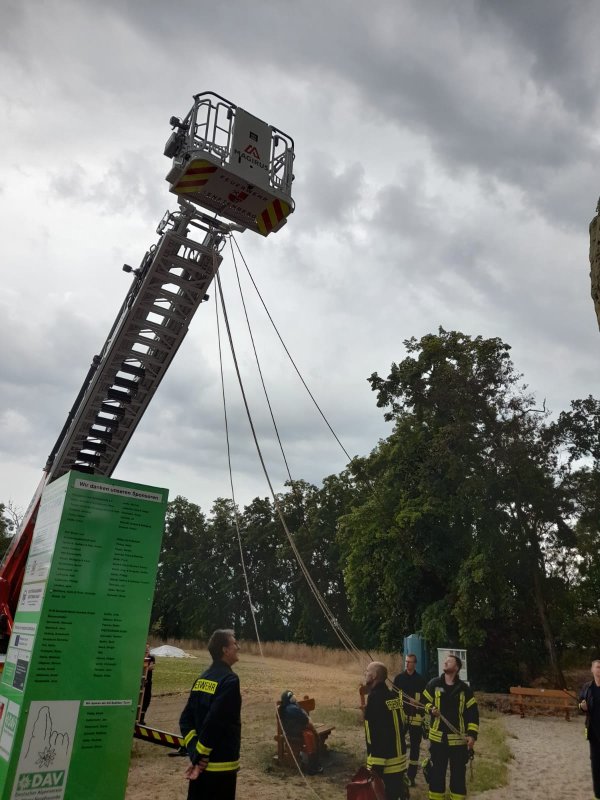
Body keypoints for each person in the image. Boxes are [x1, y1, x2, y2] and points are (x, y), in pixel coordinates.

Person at [179, 629, 241, 800]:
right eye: (234, 643)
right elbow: (214, 722)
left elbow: (185, 720)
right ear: (224, 650)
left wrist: (194, 754)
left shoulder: (202, 679)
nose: (238, 647)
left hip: (200, 768)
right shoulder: (230, 681)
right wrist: (200, 755)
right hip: (221, 768)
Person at [422, 654, 478, 800]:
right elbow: (423, 702)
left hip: (458, 742)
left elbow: (472, 714)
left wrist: (472, 735)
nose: (445, 662)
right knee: (436, 775)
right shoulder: (434, 684)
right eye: (445, 660)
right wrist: (430, 709)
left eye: (450, 661)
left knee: (458, 777)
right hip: (438, 740)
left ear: (457, 667)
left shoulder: (465, 690)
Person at [363, 661, 409, 800]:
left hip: (385, 763)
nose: (365, 674)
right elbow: (403, 724)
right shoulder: (393, 697)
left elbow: (378, 733)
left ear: (375, 675)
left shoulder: (375, 698)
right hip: (398, 761)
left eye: (367, 671)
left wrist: (376, 767)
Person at [394, 653, 427, 787]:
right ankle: (399, 774)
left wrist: (419, 704)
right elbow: (394, 697)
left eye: (410, 662)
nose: (407, 664)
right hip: (402, 718)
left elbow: (426, 701)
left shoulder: (421, 681)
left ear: (415, 663)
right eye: (406, 661)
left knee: (414, 748)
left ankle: (411, 776)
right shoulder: (399, 679)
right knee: (398, 746)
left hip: (416, 720)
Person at [278, 690, 323, 774]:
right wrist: (309, 725)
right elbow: (305, 719)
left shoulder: (290, 707)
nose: (294, 697)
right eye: (292, 696)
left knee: (311, 734)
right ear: (290, 699)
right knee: (310, 735)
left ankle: (312, 762)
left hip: (296, 729)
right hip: (295, 731)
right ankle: (312, 765)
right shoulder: (291, 708)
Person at [579, 658, 600, 800]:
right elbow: (579, 704)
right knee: (596, 765)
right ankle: (598, 795)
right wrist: (582, 707)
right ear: (592, 670)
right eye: (598, 667)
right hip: (593, 733)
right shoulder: (587, 688)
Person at [140, 642, 155, 725]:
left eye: (148, 648)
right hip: (140, 681)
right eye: (145, 648)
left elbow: (151, 667)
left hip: (148, 681)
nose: (146, 649)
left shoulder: (151, 658)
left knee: (147, 699)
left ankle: (142, 717)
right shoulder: (139, 657)